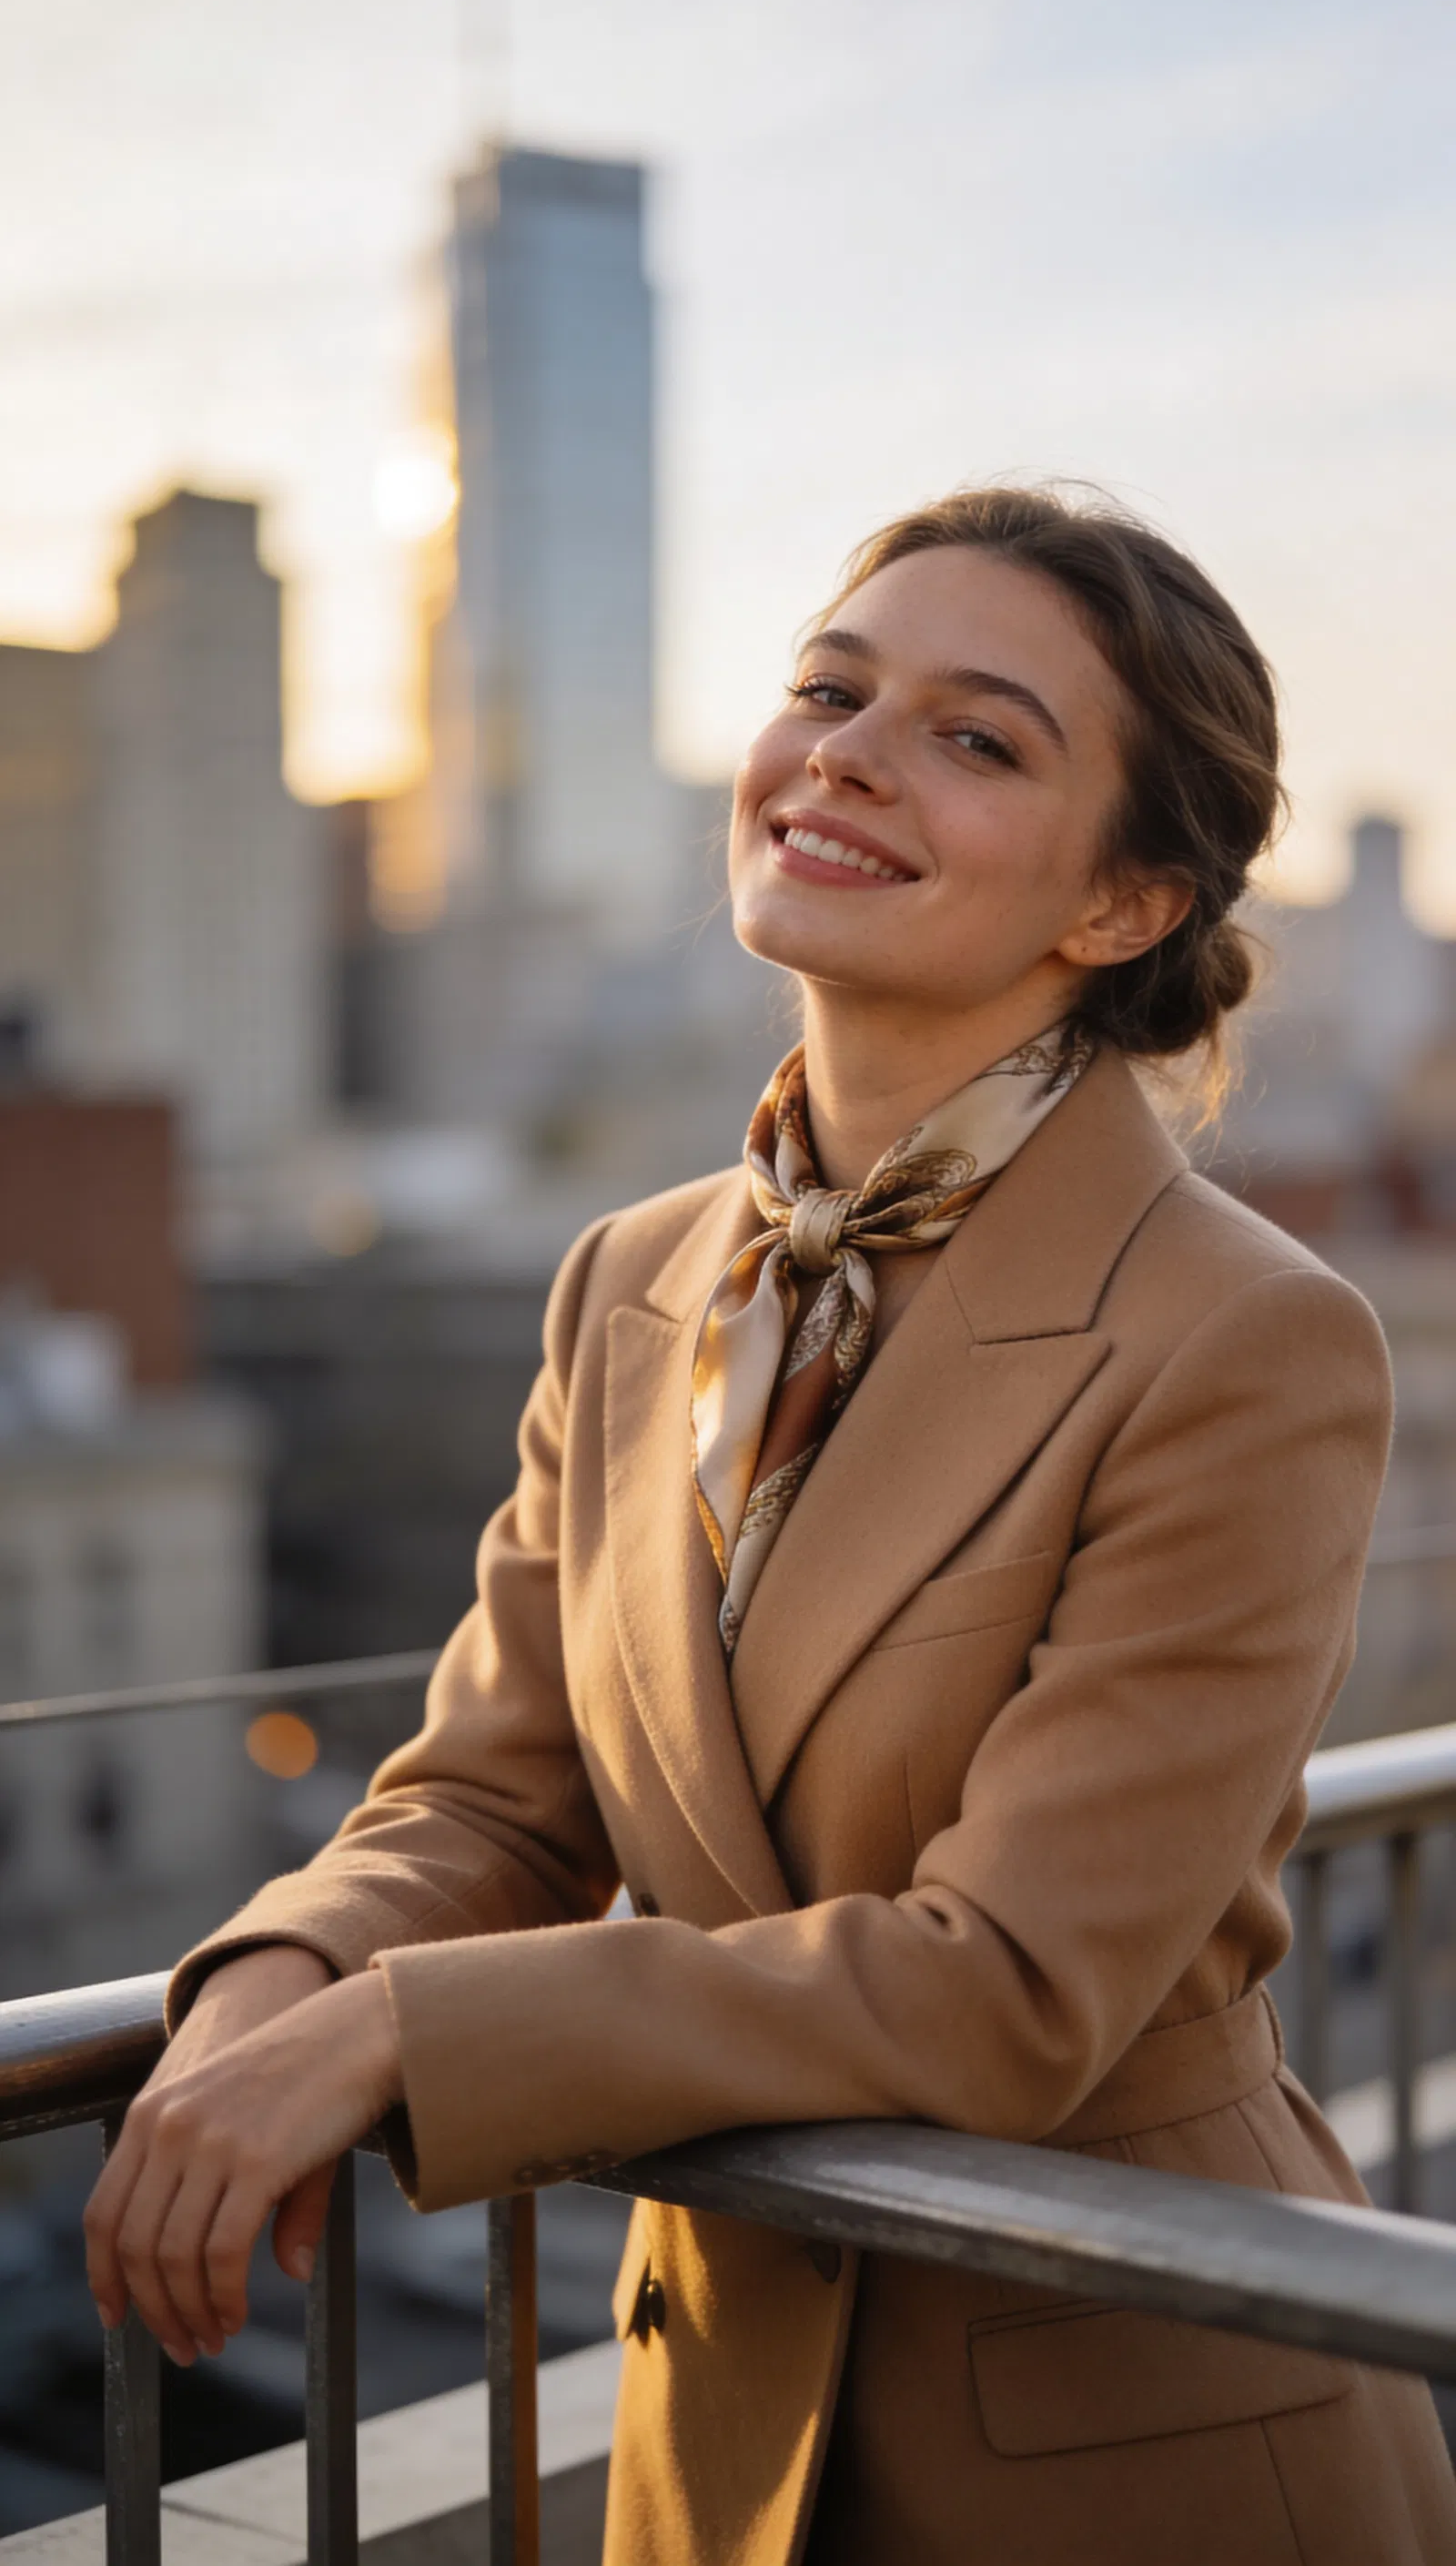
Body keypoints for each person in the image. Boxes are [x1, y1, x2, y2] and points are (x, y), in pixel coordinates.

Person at [85, 486, 1456, 2564]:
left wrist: (405, 2036)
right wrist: (291, 1971)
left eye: (974, 739)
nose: (846, 752)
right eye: (829, 688)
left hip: (1130, 2426)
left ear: (1119, 906)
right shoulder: (630, 1281)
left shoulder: (1248, 1340)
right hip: (711, 2441)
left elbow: (1002, 1984)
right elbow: (489, 1795)